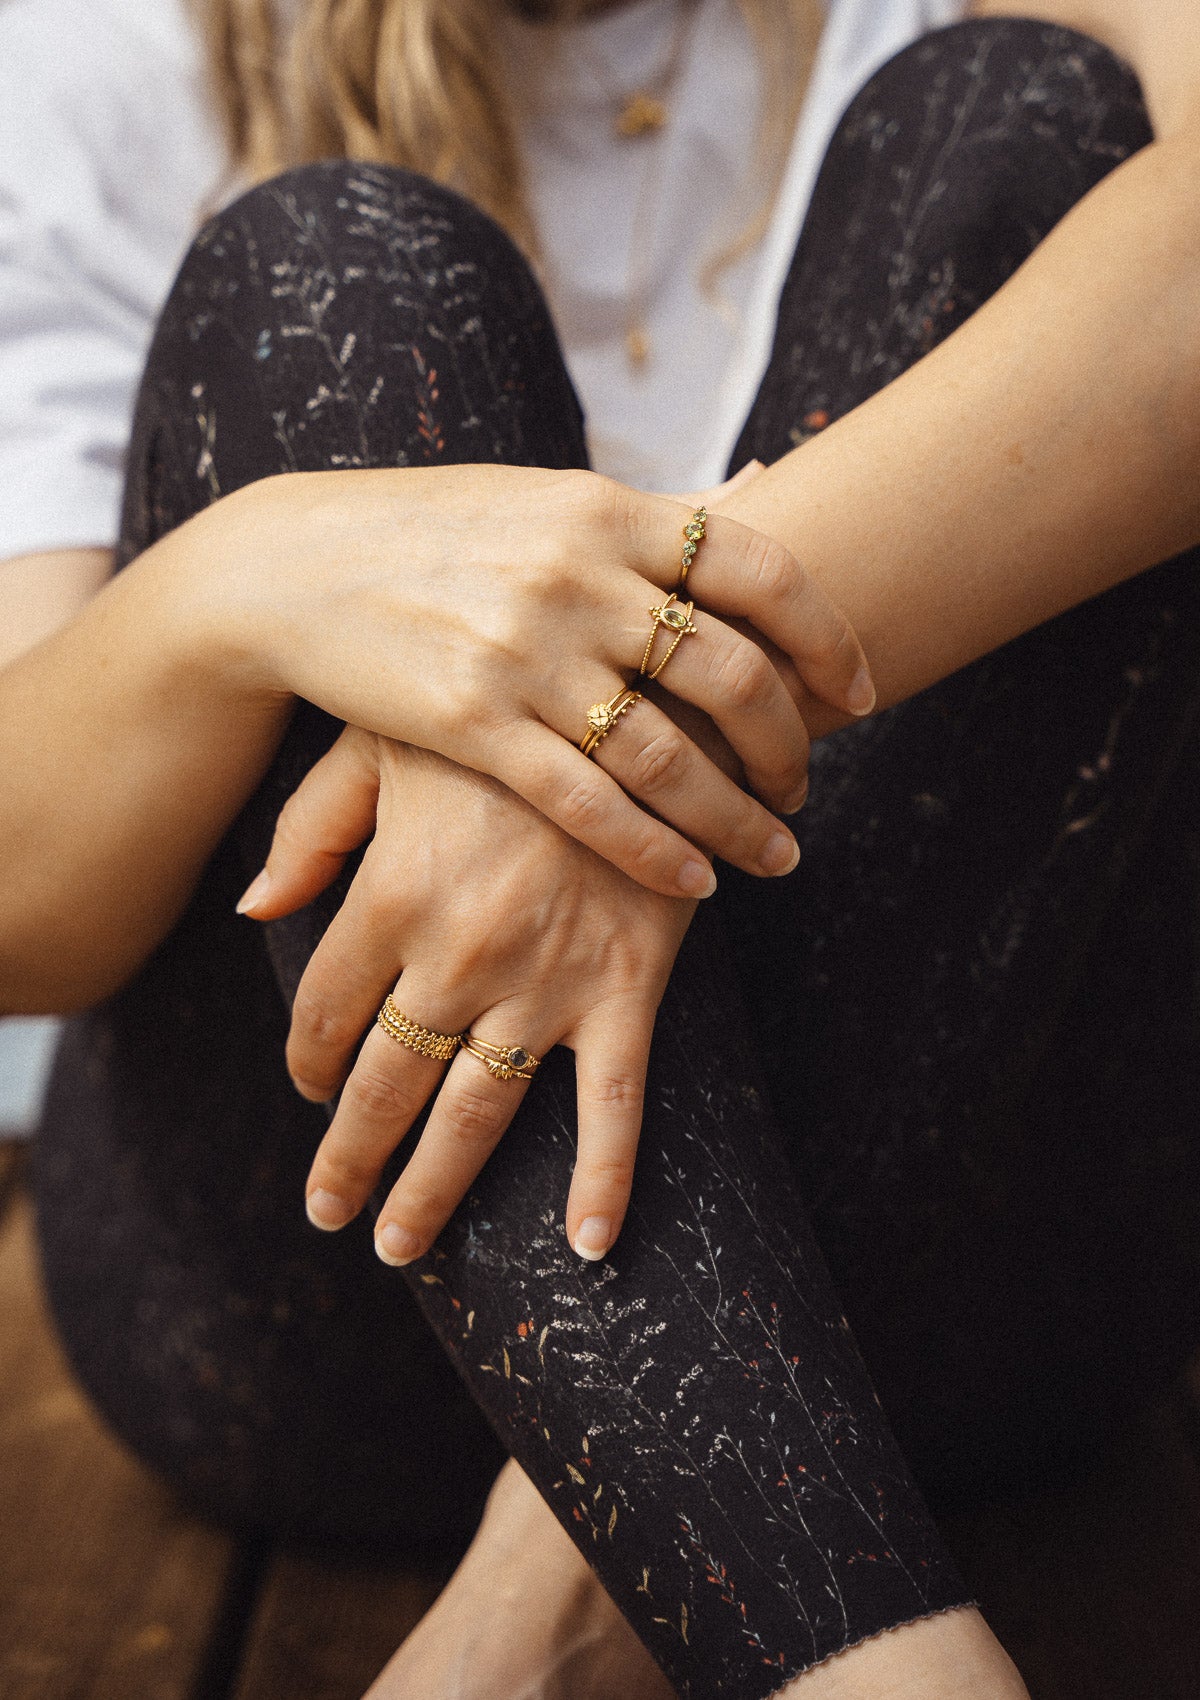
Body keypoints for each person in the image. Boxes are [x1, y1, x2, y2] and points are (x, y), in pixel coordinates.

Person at [2, 0, 1200, 1696]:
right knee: (328, 268)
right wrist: (249, 582)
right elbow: (20, 914)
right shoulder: (113, 49)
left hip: (971, 1265)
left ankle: (566, 1587)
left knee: (1028, 114)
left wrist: (590, 717)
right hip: (323, 1297)